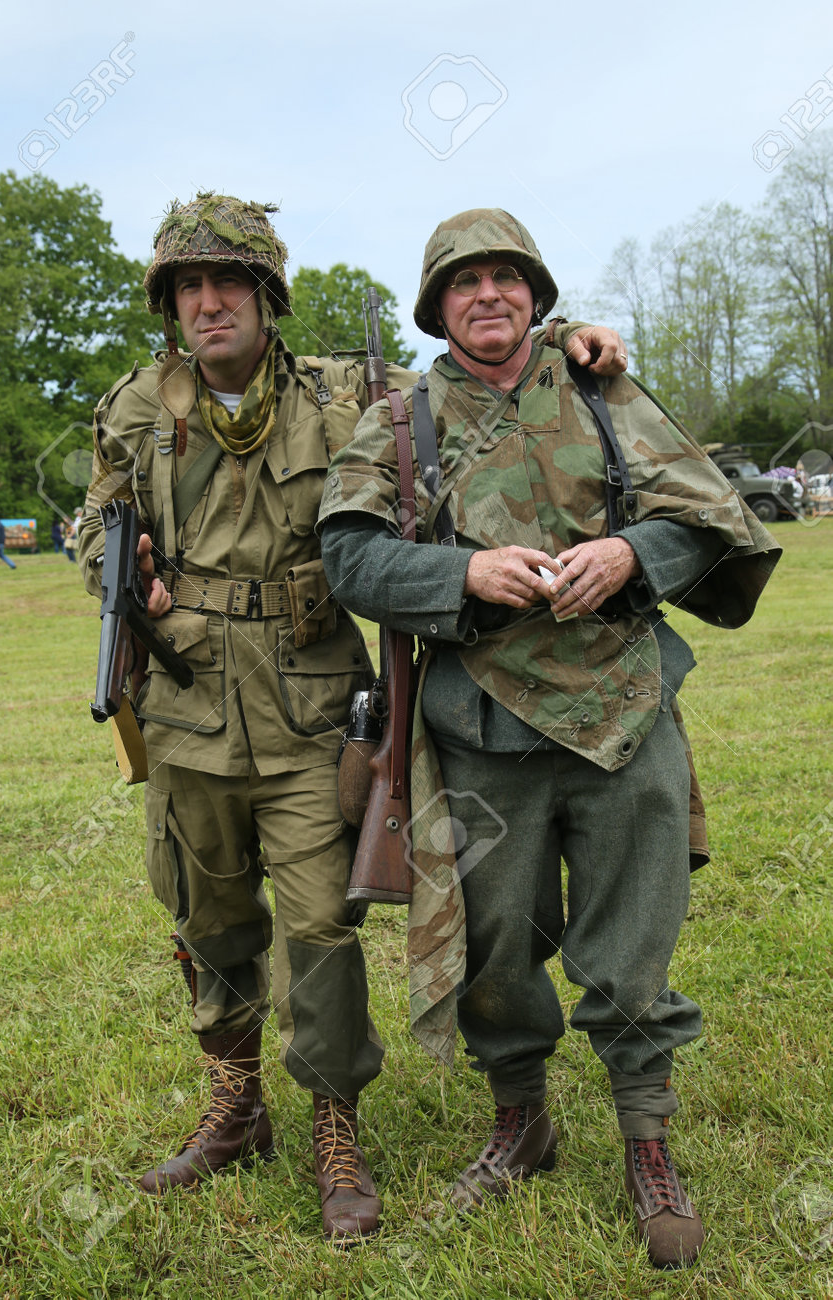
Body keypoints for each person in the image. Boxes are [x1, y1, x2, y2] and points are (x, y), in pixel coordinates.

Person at [77, 194, 625, 1242]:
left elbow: (470, 384)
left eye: (227, 282)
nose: (208, 303)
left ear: (267, 295)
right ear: (170, 303)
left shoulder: (349, 393)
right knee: (208, 915)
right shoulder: (135, 405)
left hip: (309, 708)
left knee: (321, 926)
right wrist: (122, 573)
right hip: (185, 700)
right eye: (188, 287)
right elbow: (97, 530)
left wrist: (562, 338)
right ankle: (235, 1107)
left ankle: (335, 1121)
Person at [318, 208, 782, 1268]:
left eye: (506, 277)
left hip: (625, 716)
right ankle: (520, 1117)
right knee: (494, 948)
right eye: (464, 281)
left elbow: (708, 514)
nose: (488, 295)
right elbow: (346, 555)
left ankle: (647, 1139)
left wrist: (630, 551)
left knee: (634, 942)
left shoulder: (602, 387)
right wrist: (456, 575)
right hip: (481, 730)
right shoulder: (398, 423)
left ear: (535, 294)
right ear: (437, 305)